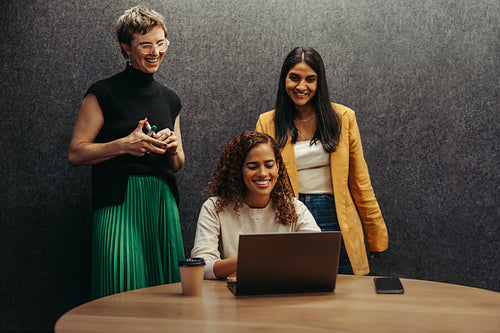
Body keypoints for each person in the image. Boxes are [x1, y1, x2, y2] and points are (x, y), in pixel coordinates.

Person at [68, 6, 185, 298]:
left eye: (161, 43)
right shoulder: (103, 93)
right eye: (146, 45)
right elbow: (76, 153)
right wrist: (124, 144)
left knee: (167, 295)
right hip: (118, 203)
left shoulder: (170, 99)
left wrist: (171, 147)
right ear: (126, 47)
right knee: (120, 291)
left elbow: (178, 163)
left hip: (162, 203)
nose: (155, 52)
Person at [256, 47, 388, 275]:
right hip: (289, 215)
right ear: (284, 79)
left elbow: (360, 182)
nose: (301, 86)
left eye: (310, 79)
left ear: (320, 82)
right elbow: (259, 182)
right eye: (294, 78)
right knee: (294, 288)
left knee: (345, 292)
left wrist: (376, 235)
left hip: (336, 215)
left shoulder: (344, 118)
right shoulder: (268, 122)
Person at [191, 131, 321, 279]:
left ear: (277, 166)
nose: (263, 173)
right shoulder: (214, 208)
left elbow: (317, 254)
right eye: (253, 166)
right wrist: (252, 259)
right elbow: (202, 268)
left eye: (269, 165)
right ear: (238, 170)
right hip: (230, 297)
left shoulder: (294, 207)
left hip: (284, 295)